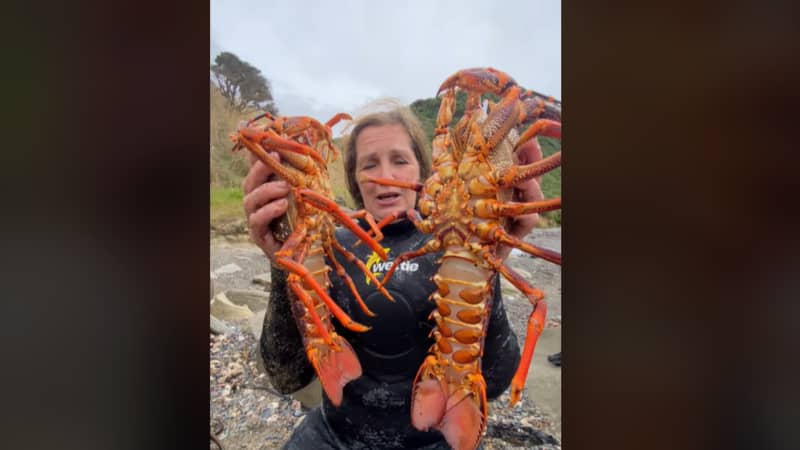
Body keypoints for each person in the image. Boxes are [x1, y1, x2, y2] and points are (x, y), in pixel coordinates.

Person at [241, 102, 546, 449]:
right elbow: (286, 378)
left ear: (424, 170)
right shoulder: (328, 246)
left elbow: (495, 380)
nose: (386, 174)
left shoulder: (458, 244)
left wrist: (491, 263)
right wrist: (282, 264)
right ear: (354, 178)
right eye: (369, 164)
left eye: (400, 160)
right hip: (336, 435)